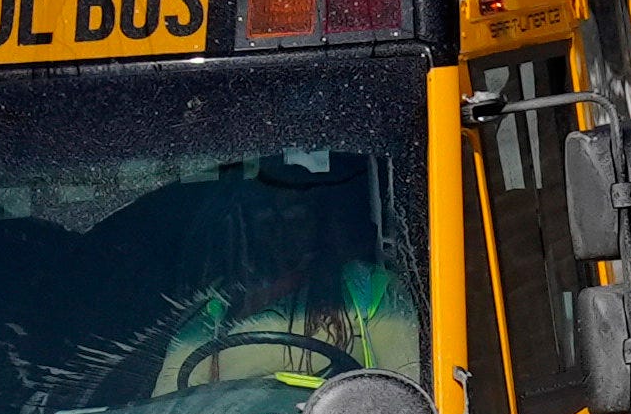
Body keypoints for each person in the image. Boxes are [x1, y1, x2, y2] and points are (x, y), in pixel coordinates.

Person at [136, 167, 420, 397]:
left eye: (295, 219)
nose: (280, 235)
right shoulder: (213, 312)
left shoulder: (367, 290)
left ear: (317, 227)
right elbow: (169, 410)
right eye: (266, 221)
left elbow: (410, 396)